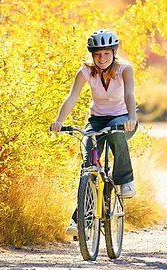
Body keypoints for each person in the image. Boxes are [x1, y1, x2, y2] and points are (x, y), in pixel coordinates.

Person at [51, 29, 138, 236]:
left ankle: (125, 180)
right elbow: (72, 97)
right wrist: (59, 121)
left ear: (114, 53)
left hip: (121, 118)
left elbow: (129, 94)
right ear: (92, 55)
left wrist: (132, 119)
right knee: (89, 165)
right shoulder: (85, 71)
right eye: (98, 54)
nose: (102, 58)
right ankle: (82, 219)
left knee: (117, 136)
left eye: (106, 53)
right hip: (96, 120)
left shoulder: (124, 69)